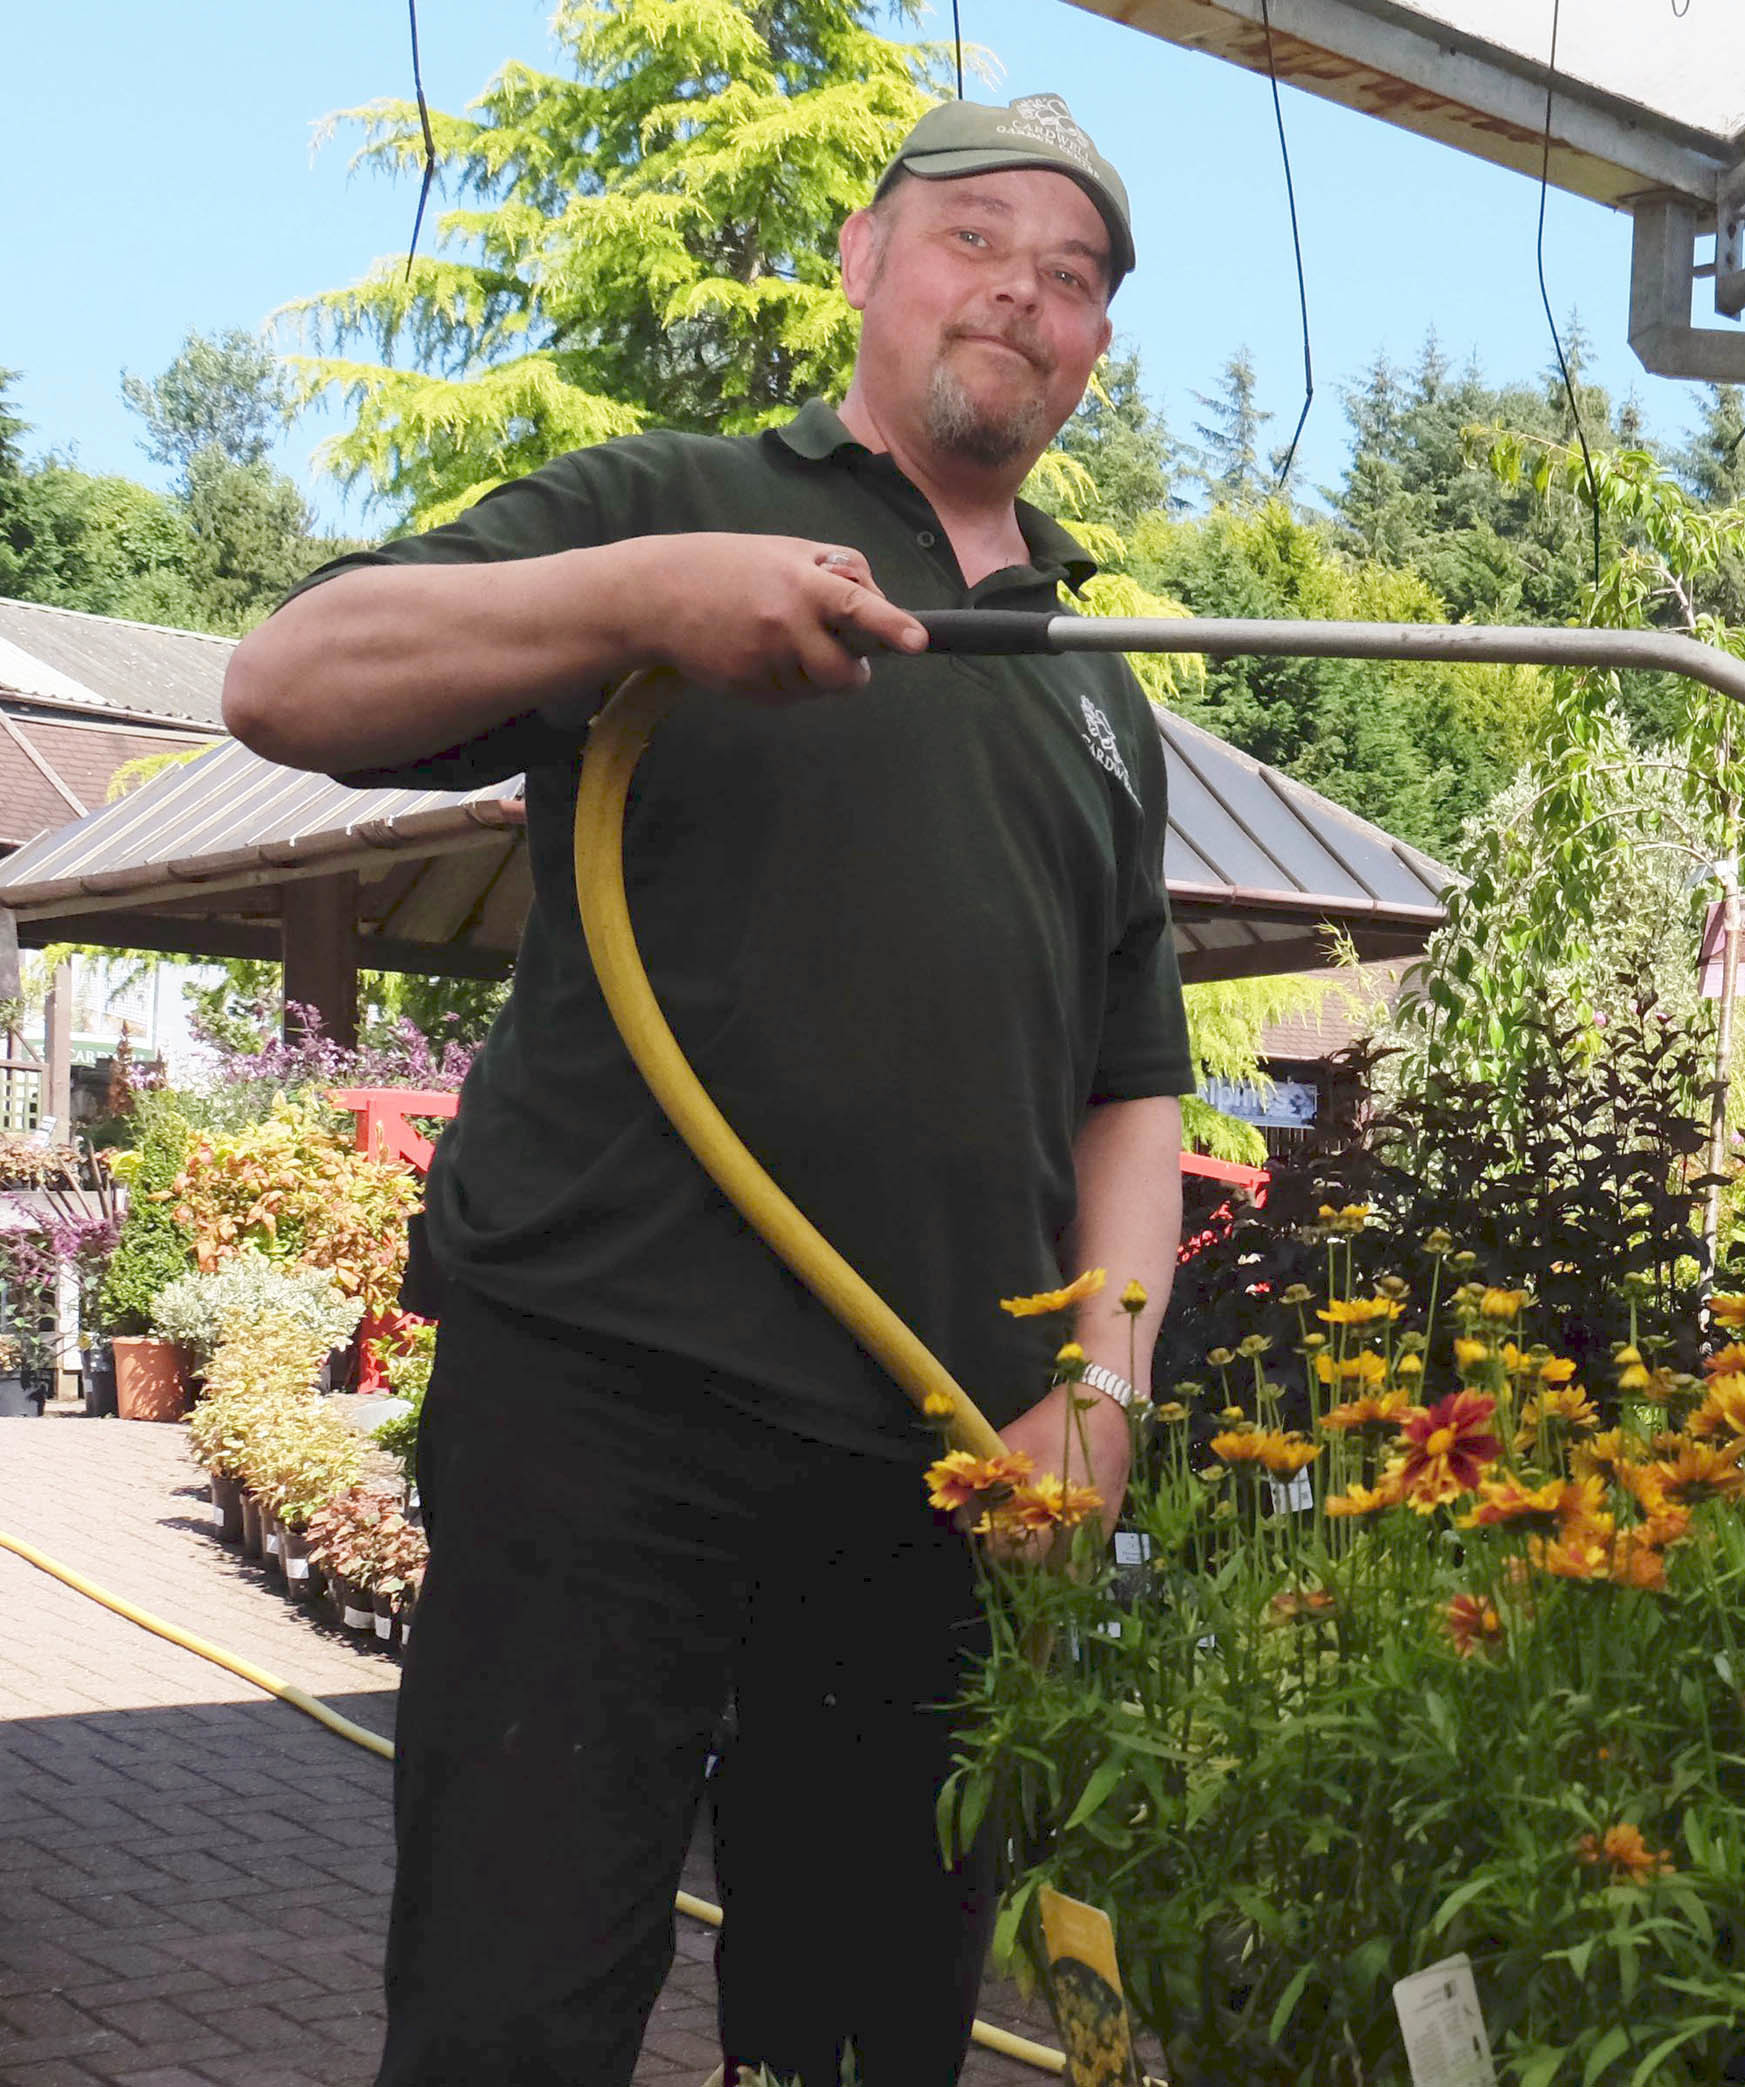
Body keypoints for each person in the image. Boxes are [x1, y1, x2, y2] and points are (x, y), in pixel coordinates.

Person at [224, 95, 1184, 2087]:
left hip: (931, 1463)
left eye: (1074, 275)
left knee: (863, 2037)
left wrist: (1096, 1399)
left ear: (1095, 348)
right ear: (858, 259)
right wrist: (637, 601)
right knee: (516, 2005)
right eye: (975, 238)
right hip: (602, 1403)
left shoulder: (1097, 696)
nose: (1023, 289)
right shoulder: (677, 505)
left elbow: (1131, 1097)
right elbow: (291, 680)